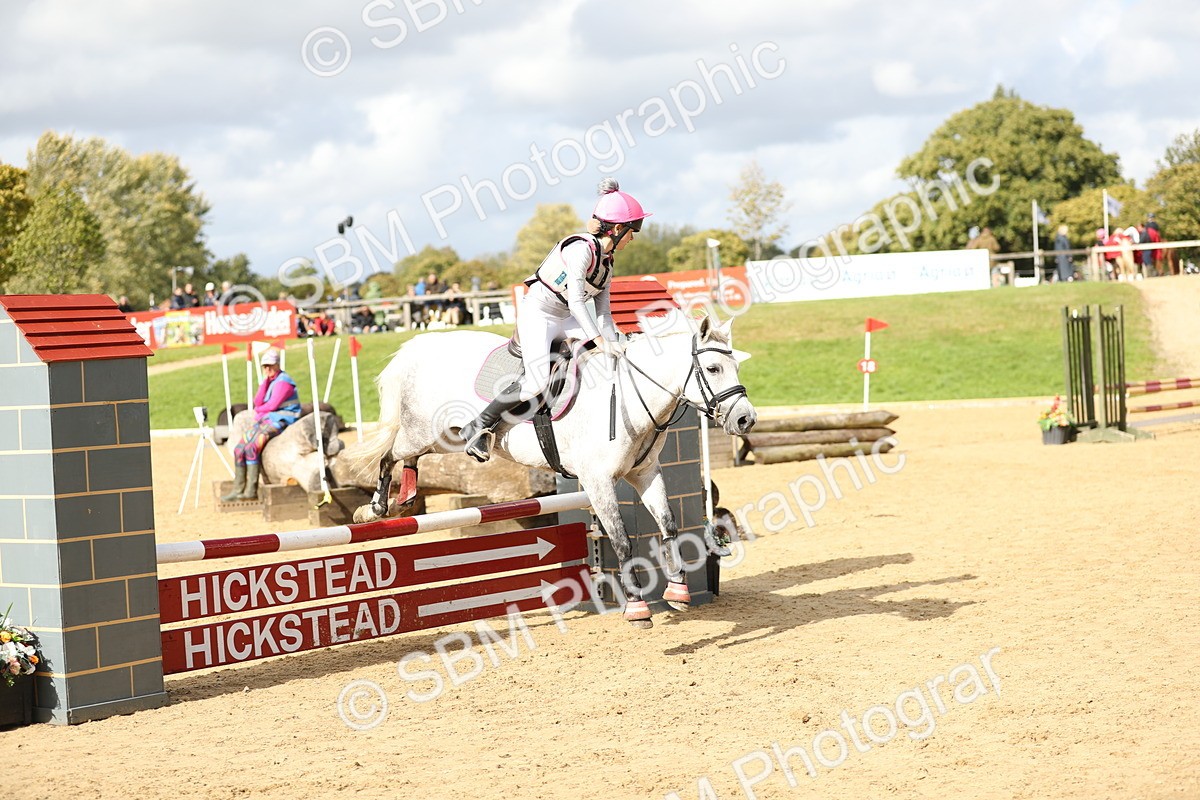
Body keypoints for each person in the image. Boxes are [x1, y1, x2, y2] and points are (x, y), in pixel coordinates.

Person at [459, 178, 646, 462]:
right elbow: (576, 300)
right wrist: (597, 339)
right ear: (618, 229)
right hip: (540, 313)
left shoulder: (607, 262)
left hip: (568, 316)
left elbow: (604, 314)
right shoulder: (580, 249)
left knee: (601, 356)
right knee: (535, 383)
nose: (633, 238)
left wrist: (615, 343)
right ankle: (479, 424)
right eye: (633, 231)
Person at [221, 349, 302, 502]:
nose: (267, 369)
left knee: (252, 447)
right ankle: (238, 489)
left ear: (277, 364)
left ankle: (250, 491)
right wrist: (264, 382)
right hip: (267, 419)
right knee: (240, 449)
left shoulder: (284, 381)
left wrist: (258, 410)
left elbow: (271, 405)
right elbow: (258, 401)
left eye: (270, 365)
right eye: (265, 366)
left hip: (282, 419)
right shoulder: (270, 381)